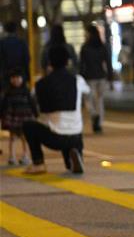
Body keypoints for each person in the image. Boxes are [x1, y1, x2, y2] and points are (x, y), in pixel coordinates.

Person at [22, 45, 88, 175]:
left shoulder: (41, 84)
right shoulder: (77, 80)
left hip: (55, 138)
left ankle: (38, 163)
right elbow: (87, 91)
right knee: (69, 127)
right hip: (76, 136)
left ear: (49, 63)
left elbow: (34, 100)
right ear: (68, 62)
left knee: (28, 126)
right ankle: (73, 158)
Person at [79, 25, 111, 134]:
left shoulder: (85, 47)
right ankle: (99, 123)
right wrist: (110, 75)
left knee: (89, 100)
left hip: (89, 77)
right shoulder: (102, 46)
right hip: (101, 76)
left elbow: (81, 64)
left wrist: (80, 76)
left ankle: (94, 116)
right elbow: (107, 62)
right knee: (99, 100)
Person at [2, 67, 37, 165]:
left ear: (22, 78)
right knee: (12, 137)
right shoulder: (8, 92)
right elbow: (3, 105)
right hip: (13, 117)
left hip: (25, 117)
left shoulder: (26, 91)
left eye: (18, 77)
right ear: (10, 79)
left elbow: (32, 103)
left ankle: (25, 155)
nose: (16, 80)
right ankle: (11, 156)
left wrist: (36, 114)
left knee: (24, 137)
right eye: (13, 78)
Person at [0, 20, 30, 90]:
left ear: (5, 30)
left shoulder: (2, 43)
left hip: (6, 78)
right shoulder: (22, 43)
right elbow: (27, 59)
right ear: (16, 30)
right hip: (21, 77)